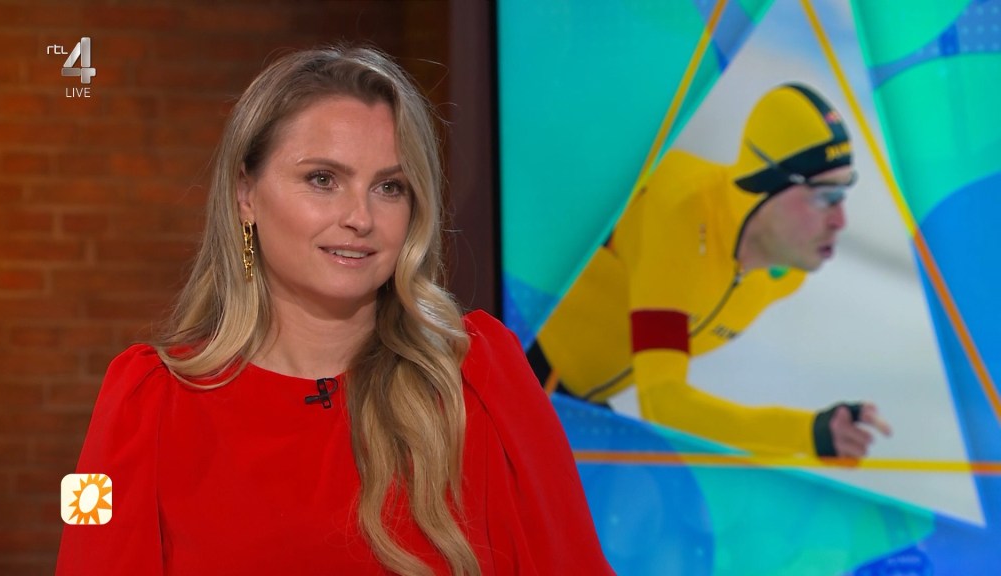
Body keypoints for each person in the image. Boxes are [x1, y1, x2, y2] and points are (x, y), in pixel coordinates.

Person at [57, 46, 614, 576]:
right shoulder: (142, 402)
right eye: (323, 180)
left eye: (389, 187)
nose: (360, 218)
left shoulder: (484, 379)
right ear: (246, 194)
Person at [529, 83, 891, 459]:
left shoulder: (785, 273)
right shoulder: (681, 213)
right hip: (514, 356)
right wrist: (805, 434)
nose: (840, 220)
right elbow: (662, 403)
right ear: (769, 182)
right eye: (825, 197)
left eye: (843, 196)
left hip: (570, 402)